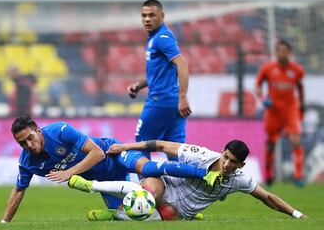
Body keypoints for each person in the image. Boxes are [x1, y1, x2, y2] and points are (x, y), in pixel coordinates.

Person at [0, 115, 221, 223]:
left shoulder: (59, 131)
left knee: (152, 168)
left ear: (38, 131)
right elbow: (19, 190)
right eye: (22, 143)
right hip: (104, 181)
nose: (29, 145)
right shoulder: (27, 162)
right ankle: (185, 213)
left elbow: (97, 153)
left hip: (114, 154)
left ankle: (204, 173)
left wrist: (70, 172)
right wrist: (4, 223)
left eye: (30, 138)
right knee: (140, 214)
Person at [68, 139, 307, 221]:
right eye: (226, 157)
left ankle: (118, 216)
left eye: (233, 162)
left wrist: (296, 214)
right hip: (166, 186)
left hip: (181, 209)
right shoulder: (201, 155)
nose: (226, 164)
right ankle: (106, 203)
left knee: (167, 217)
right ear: (221, 152)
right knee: (148, 189)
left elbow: (267, 197)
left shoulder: (240, 179)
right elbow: (161, 145)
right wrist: (126, 146)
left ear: (240, 165)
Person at [127, 0, 191, 161]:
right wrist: (138, 85)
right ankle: (178, 186)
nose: (147, 19)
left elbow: (181, 64)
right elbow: (156, 74)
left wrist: (183, 96)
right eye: (144, 16)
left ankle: (146, 185)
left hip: (160, 101)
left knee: (140, 144)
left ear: (162, 16)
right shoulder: (156, 37)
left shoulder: (162, 37)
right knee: (175, 149)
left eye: (152, 15)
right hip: (173, 102)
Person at [255, 40, 305, 186]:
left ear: (289, 53)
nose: (282, 54)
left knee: (295, 140)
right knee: (271, 144)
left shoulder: (297, 70)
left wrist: (301, 106)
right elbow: (258, 87)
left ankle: (299, 176)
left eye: (285, 51)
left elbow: (300, 88)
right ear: (276, 52)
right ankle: (269, 175)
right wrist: (264, 99)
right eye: (280, 51)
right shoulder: (267, 69)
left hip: (290, 109)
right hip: (273, 111)